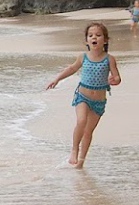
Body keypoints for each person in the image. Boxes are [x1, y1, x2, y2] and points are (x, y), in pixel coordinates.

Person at [46, 22, 122, 168]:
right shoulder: (83, 57)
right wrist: (57, 79)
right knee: (81, 121)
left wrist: (115, 80)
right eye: (91, 35)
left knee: (88, 132)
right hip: (83, 96)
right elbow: (72, 68)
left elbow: (117, 77)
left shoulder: (109, 59)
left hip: (99, 102)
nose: (94, 37)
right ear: (86, 41)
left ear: (105, 40)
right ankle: (74, 150)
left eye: (98, 35)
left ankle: (81, 162)